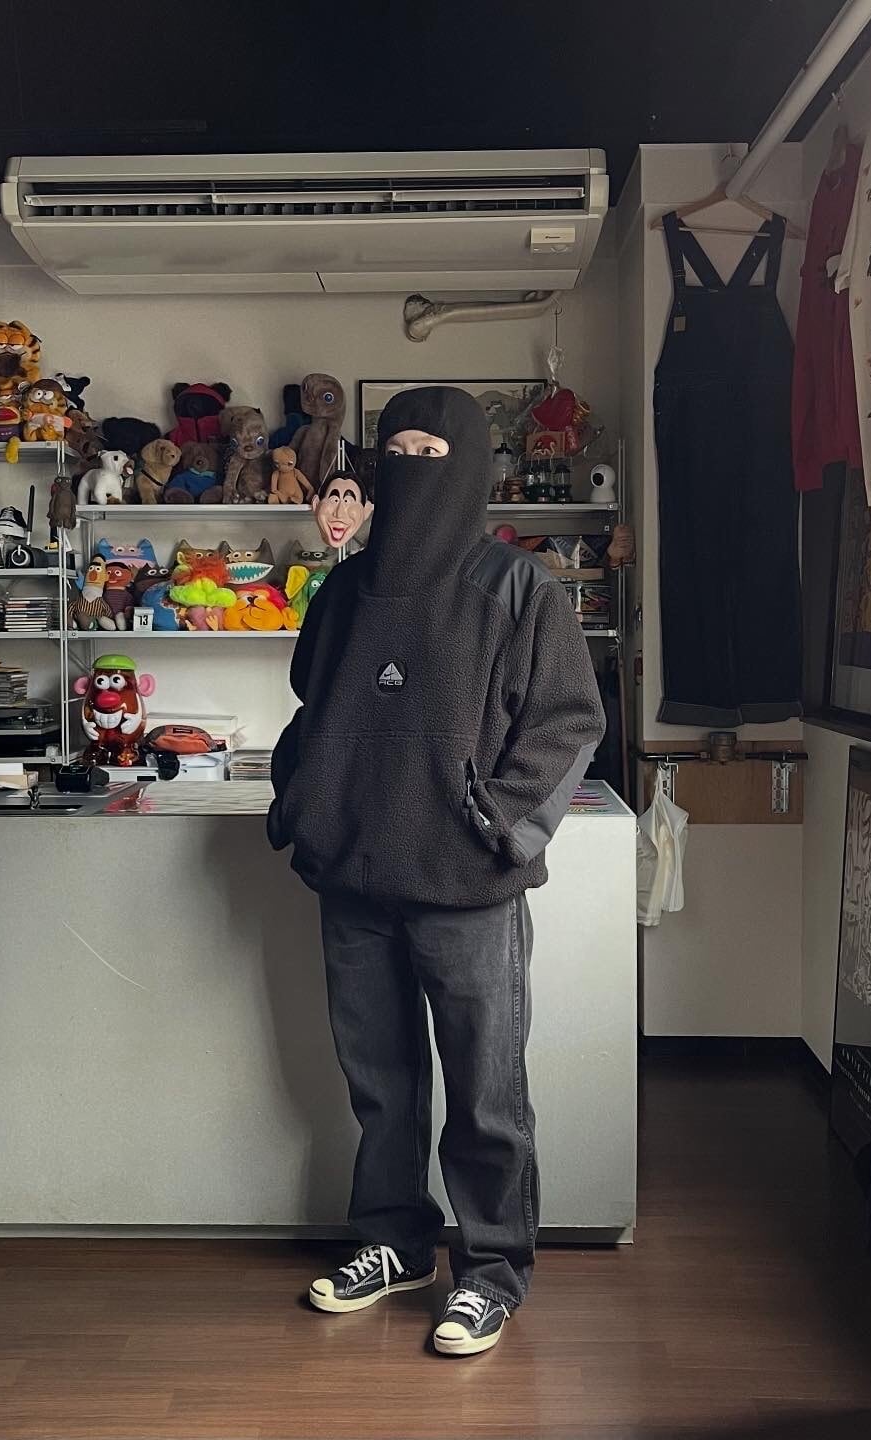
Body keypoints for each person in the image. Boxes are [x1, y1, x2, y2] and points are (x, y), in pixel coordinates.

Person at [268, 385, 606, 1356]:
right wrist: (302, 804)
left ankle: (492, 1271)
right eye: (400, 449)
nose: (414, 466)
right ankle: (395, 1242)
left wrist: (497, 822)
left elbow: (568, 722)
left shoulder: (519, 588)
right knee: (381, 1086)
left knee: (486, 1092)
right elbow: (313, 707)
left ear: (470, 464)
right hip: (355, 882)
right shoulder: (346, 591)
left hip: (468, 888)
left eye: (433, 450)